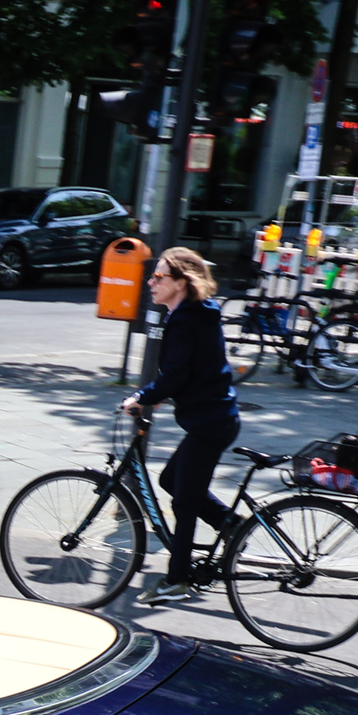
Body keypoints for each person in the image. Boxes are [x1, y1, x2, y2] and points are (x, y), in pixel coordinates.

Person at [122, 247, 240, 607]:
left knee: (185, 500)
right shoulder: (194, 315)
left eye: (159, 277)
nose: (151, 282)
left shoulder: (185, 320)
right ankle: (232, 527)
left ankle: (178, 579)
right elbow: (190, 371)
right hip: (213, 417)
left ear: (181, 282)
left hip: (210, 422)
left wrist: (143, 396)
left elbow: (176, 374)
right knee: (171, 481)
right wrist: (162, 393)